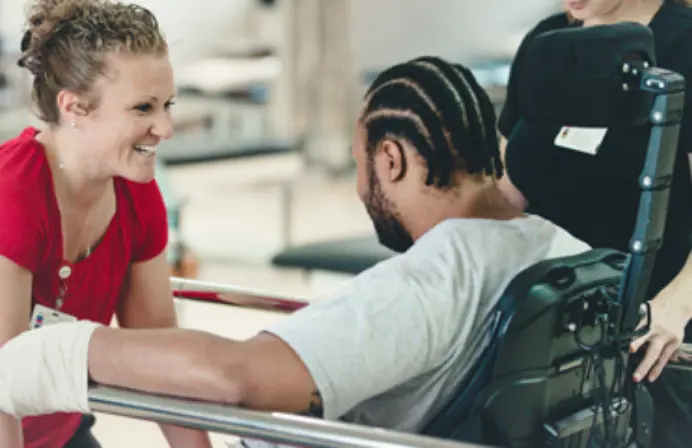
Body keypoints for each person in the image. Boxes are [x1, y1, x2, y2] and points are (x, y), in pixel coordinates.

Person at [0, 56, 591, 447]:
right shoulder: (562, 248)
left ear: (392, 160)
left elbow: (233, 377)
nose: (362, 188)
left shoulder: (428, 285)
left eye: (361, 167)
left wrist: (60, 348)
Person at [0, 0, 212, 447]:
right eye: (143, 108)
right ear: (74, 108)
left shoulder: (136, 195)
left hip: (58, 429)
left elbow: (161, 364)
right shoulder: (14, 194)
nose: (166, 127)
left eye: (168, 104)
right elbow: (2, 389)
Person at [496, 1, 692, 446]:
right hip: (547, 327)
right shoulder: (546, 45)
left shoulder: (683, 44)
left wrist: (675, 307)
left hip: (651, 337)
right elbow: (507, 192)